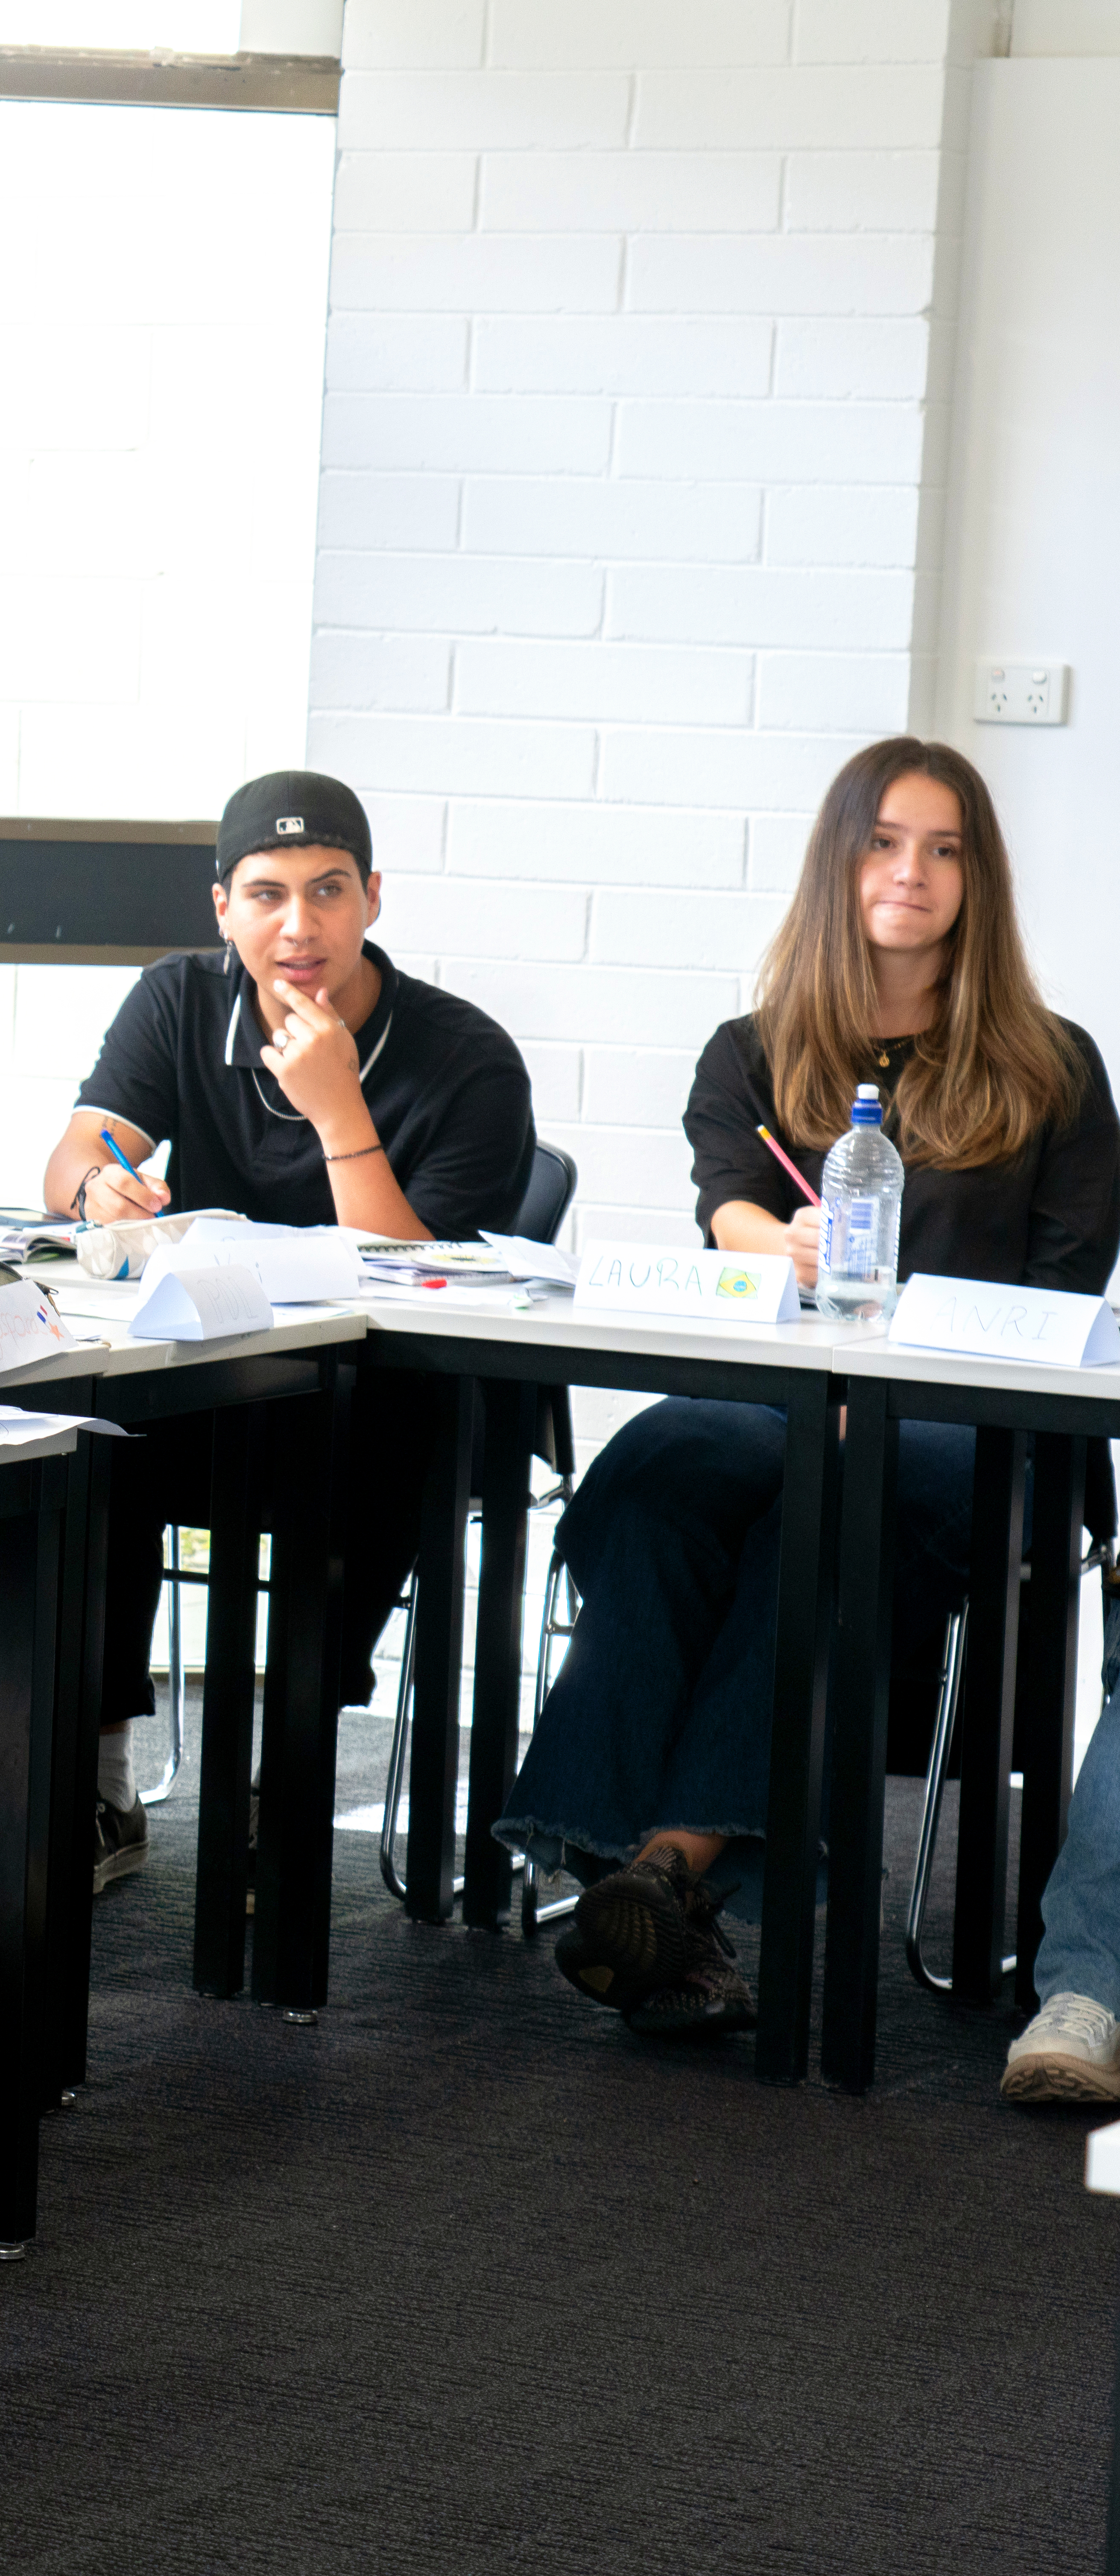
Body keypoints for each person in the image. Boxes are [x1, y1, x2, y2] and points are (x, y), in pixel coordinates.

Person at [499, 739, 1117, 2043]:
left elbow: (1064, 1299)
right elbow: (724, 1197)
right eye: (887, 842)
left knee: (830, 1520)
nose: (914, 873)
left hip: (971, 1428)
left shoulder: (1054, 1066)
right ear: (840, 862)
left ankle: (658, 1871)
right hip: (779, 1393)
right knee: (653, 1481)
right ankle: (667, 1894)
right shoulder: (754, 1050)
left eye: (947, 850)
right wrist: (757, 1237)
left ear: (980, 880)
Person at [44, 768, 538, 1885]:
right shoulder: (180, 999)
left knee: (387, 1428)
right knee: (87, 1422)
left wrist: (338, 1110)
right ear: (223, 907)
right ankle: (99, 1780)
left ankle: (294, 1770)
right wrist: (99, 1191)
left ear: (373, 898)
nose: (298, 926)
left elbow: (413, 1279)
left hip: (383, 1405)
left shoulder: (467, 1059)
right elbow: (78, 1152)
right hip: (217, 1391)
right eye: (266, 894)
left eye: (327, 892)